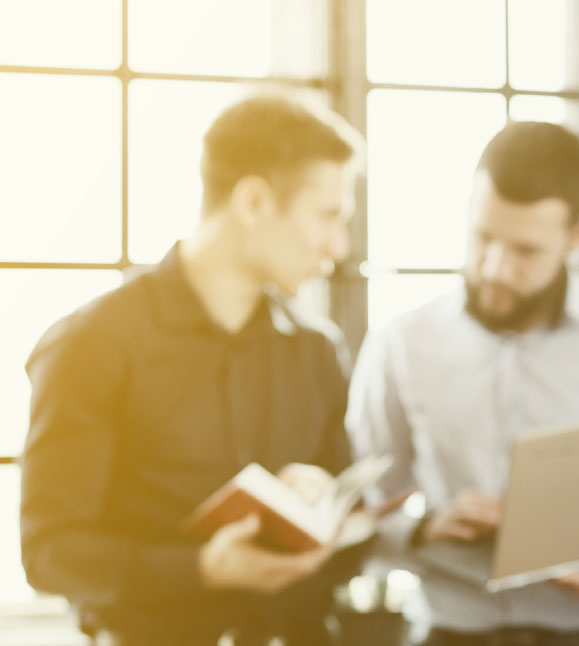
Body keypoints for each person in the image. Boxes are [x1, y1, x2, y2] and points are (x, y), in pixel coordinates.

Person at [21, 93, 365, 646]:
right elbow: (48, 554)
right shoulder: (91, 343)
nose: (338, 246)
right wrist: (203, 568)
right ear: (253, 202)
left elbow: (355, 540)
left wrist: (324, 500)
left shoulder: (316, 351)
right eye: (328, 216)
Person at [347, 121, 579, 646]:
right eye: (482, 238)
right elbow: (357, 517)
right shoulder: (401, 344)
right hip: (449, 634)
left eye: (526, 251)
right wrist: (423, 530)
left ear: (578, 236)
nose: (495, 268)